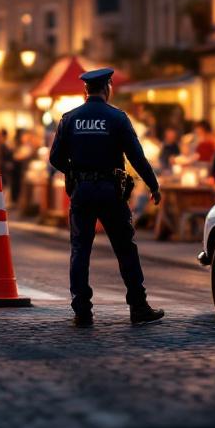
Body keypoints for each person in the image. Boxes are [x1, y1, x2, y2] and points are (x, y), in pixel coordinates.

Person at [49, 68, 167, 328]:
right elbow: (137, 156)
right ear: (108, 87)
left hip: (81, 191)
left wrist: (74, 172)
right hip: (110, 192)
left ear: (85, 90)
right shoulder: (117, 118)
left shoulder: (70, 118)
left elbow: (55, 158)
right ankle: (138, 306)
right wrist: (153, 185)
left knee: (80, 250)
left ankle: (82, 310)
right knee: (125, 248)